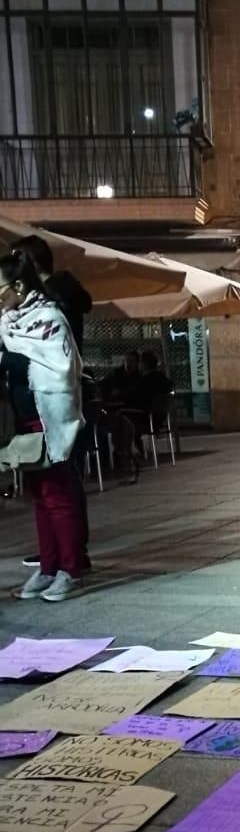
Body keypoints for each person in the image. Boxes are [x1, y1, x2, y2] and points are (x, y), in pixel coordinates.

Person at [0, 250, 85, 601]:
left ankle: (69, 570)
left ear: (19, 285)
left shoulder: (49, 318)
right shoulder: (8, 321)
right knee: (39, 497)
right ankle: (48, 567)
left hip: (49, 417)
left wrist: (11, 360)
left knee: (58, 496)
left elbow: (62, 368)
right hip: (20, 418)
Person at [19, 234, 93, 574]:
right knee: (54, 482)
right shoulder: (59, 298)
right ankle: (64, 552)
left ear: (31, 265)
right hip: (53, 395)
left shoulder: (52, 303)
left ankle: (71, 557)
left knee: (60, 480)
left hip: (56, 396)